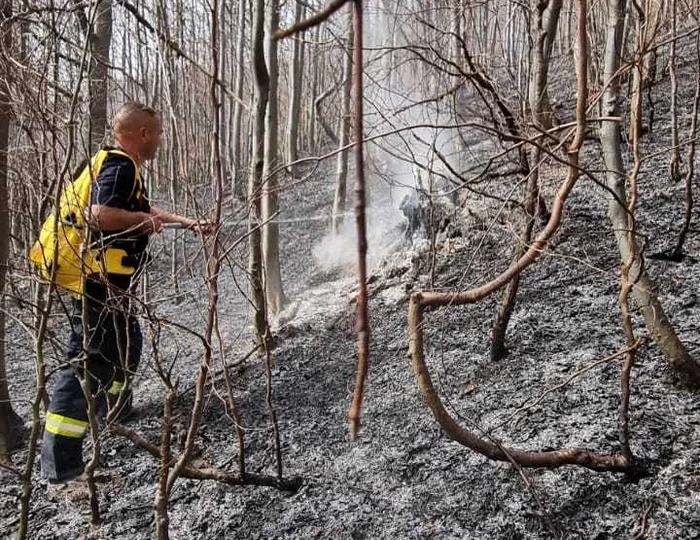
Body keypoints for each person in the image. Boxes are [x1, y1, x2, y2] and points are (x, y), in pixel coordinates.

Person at [41, 102, 211, 483]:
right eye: (160, 133)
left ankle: (114, 413)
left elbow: (141, 208)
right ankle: (61, 465)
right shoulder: (120, 166)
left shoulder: (115, 164)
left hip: (109, 284)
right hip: (97, 282)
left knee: (127, 342)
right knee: (88, 360)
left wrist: (187, 222)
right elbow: (98, 215)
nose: (162, 140)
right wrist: (141, 221)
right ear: (143, 134)